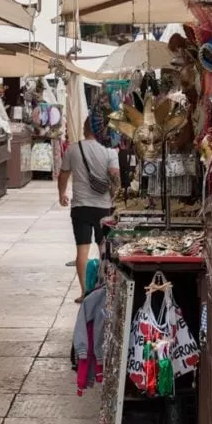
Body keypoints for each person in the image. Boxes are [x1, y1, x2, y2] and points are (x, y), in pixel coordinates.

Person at [58, 117, 120, 302]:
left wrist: (62, 194)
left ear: (85, 129)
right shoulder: (110, 150)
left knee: (82, 251)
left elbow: (63, 175)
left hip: (80, 207)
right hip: (103, 208)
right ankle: (104, 290)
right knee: (104, 250)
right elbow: (115, 180)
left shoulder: (73, 149)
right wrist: (115, 199)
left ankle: (85, 292)